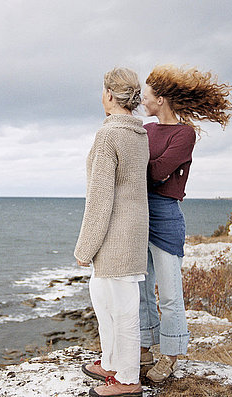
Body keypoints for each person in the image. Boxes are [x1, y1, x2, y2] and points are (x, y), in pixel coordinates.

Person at [139, 64, 232, 382]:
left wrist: (150, 168)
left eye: (147, 94)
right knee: (140, 289)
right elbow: (149, 169)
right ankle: (146, 347)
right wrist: (152, 169)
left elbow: (155, 171)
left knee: (168, 294)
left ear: (162, 99)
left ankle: (170, 355)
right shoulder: (145, 129)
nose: (142, 99)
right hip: (138, 214)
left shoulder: (184, 133)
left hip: (166, 216)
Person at [74, 67, 149, 397]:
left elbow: (100, 198)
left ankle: (129, 381)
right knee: (105, 300)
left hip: (115, 237)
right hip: (131, 233)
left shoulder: (109, 135)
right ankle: (111, 362)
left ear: (108, 95)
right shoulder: (139, 134)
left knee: (122, 310)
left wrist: (84, 248)